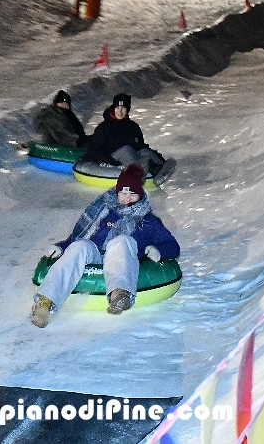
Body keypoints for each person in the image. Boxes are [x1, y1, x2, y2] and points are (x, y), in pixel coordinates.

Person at [30, 164, 180, 327]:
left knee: (122, 240)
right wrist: (62, 246)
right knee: (80, 245)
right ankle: (45, 302)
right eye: (123, 192)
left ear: (140, 195)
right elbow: (77, 237)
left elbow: (173, 246)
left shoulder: (148, 220)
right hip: (95, 255)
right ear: (117, 192)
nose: (127, 198)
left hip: (121, 259)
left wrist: (158, 249)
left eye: (132, 194)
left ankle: (120, 293)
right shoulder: (102, 210)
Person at [83, 93, 176, 184]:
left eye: (123, 108)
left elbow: (140, 145)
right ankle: (138, 172)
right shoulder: (104, 127)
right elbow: (95, 149)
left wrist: (156, 156)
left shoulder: (133, 126)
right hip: (112, 157)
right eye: (117, 108)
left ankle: (158, 168)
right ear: (113, 109)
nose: (120, 111)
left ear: (127, 110)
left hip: (133, 156)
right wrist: (110, 162)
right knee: (126, 150)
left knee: (144, 151)